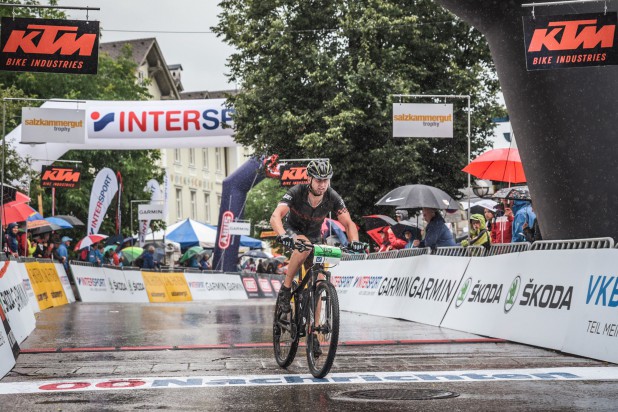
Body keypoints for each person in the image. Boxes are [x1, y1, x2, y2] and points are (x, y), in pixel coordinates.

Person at [270, 159, 365, 317]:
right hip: (293, 231)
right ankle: (285, 290)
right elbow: (275, 216)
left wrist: (354, 241)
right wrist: (282, 236)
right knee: (304, 247)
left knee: (320, 281)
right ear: (309, 179)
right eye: (319, 180)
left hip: (315, 236)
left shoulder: (332, 196)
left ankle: (315, 328)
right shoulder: (296, 191)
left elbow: (349, 223)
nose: (322, 184)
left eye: (326, 180)